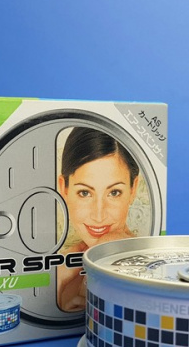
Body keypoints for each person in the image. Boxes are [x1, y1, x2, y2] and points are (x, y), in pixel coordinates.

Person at [57, 127, 141, 311]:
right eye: (85, 193)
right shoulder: (61, 269)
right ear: (64, 189)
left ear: (133, 189)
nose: (99, 215)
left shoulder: (146, 272)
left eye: (114, 192)